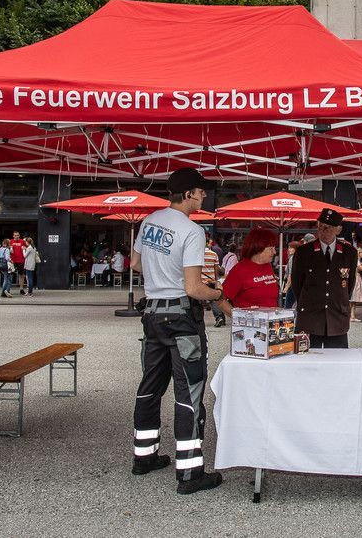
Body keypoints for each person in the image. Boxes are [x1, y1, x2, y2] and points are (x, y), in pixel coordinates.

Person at [129, 167, 226, 494]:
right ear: (188, 194)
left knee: (150, 386)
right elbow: (194, 288)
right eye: (201, 191)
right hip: (181, 318)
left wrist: (161, 275)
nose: (204, 195)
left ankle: (143, 456)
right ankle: (190, 473)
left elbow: (135, 264)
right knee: (189, 392)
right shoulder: (192, 231)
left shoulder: (149, 221)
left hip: (152, 315)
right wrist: (218, 293)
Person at [290, 209, 357, 348]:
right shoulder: (304, 252)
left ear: (338, 230)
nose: (323, 231)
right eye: (320, 226)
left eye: (328, 227)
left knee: (338, 357)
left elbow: (349, 284)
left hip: (337, 316)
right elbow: (297, 283)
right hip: (310, 316)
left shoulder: (349, 252)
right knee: (307, 358)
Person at [217, 228, 278, 311]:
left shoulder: (267, 266)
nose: (274, 252)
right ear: (258, 247)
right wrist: (236, 315)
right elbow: (220, 299)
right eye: (271, 248)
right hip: (249, 319)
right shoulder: (239, 271)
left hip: (271, 318)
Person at [201, 231, 225, 327]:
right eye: (210, 243)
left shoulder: (197, 254)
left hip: (200, 281)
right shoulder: (214, 254)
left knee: (197, 302)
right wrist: (216, 281)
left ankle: (198, 321)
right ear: (207, 243)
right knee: (213, 300)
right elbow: (216, 269)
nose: (211, 244)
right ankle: (219, 317)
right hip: (211, 280)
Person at [350, 249, 362, 322]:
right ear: (358, 253)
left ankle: (352, 316)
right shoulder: (356, 260)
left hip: (357, 279)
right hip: (356, 279)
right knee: (353, 299)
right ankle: (351, 316)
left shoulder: (358, 260)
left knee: (354, 300)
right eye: (361, 252)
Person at [281, 240, 301, 309]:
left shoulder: (293, 258)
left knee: (288, 306)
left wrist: (286, 287)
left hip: (292, 285)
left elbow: (291, 274)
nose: (289, 249)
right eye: (289, 248)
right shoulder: (299, 257)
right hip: (298, 284)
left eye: (291, 248)